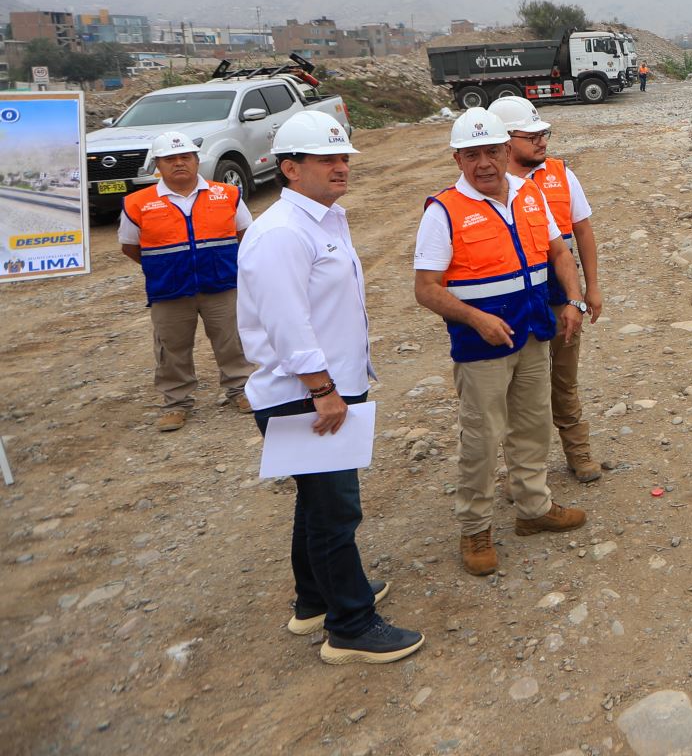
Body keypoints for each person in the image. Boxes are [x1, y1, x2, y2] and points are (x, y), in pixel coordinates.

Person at [239, 111, 422, 664]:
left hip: (331, 387)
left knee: (317, 504)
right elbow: (287, 323)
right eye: (327, 160)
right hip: (307, 396)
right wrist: (323, 389)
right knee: (336, 511)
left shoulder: (325, 219)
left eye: (343, 158)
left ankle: (315, 600)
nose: (341, 168)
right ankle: (351, 625)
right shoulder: (280, 234)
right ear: (290, 168)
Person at [413, 106, 588, 577]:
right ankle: (475, 529)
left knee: (531, 428)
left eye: (492, 151)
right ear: (457, 159)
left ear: (507, 150)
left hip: (533, 334)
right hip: (482, 347)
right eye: (473, 155)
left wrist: (574, 299)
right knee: (482, 440)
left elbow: (559, 252)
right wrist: (476, 319)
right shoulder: (444, 211)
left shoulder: (530, 195)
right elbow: (426, 288)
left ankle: (534, 510)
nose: (484, 162)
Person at [487, 97, 605, 482]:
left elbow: (581, 231)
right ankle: (524, 473)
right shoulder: (485, 188)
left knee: (564, 379)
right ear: (505, 141)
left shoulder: (560, 174)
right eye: (532, 135)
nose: (542, 141)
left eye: (544, 133)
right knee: (519, 391)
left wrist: (590, 289)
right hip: (516, 298)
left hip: (559, 290)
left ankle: (578, 451)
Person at [119, 131, 255, 431]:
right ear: (158, 165)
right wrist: (164, 267)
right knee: (171, 349)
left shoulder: (227, 194)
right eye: (170, 159)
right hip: (169, 290)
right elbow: (130, 247)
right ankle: (176, 403)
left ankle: (242, 389)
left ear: (196, 160)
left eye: (185, 157)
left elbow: (248, 235)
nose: (179, 164)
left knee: (231, 340)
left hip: (222, 285)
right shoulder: (137, 203)